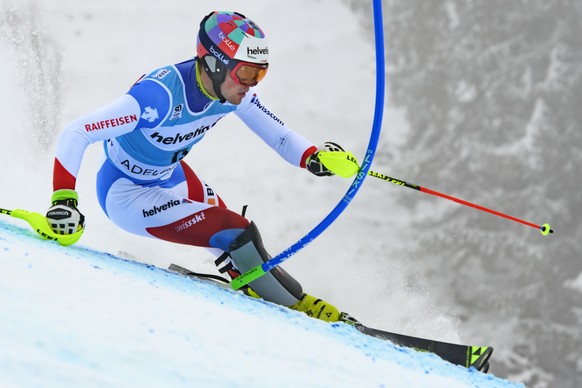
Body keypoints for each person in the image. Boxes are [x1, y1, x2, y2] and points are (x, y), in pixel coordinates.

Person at [46, 11, 356, 324]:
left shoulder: (233, 93)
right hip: (126, 194)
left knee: (225, 223)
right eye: (246, 73)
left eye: (259, 75)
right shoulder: (158, 96)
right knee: (237, 231)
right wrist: (63, 202)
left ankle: (250, 280)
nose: (250, 85)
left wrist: (315, 156)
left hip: (169, 177)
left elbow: (282, 138)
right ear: (213, 63)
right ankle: (297, 305)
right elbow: (77, 132)